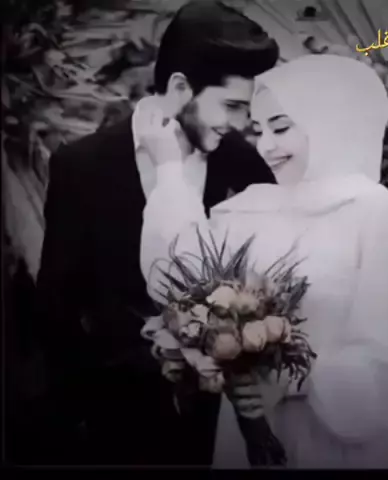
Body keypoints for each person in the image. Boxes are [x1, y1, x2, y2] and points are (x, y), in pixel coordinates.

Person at [139, 54, 388, 468]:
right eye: (259, 130)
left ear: (331, 122)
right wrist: (169, 172)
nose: (265, 146)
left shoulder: (381, 217)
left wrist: (287, 379)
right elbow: (177, 276)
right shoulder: (249, 209)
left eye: (281, 127)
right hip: (244, 437)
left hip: (345, 447)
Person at [35, 0, 279, 465]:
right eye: (230, 106)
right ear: (181, 87)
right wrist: (82, 409)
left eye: (245, 109)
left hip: (221, 428)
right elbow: (57, 305)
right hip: (117, 424)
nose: (240, 124)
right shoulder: (81, 166)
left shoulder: (243, 164)